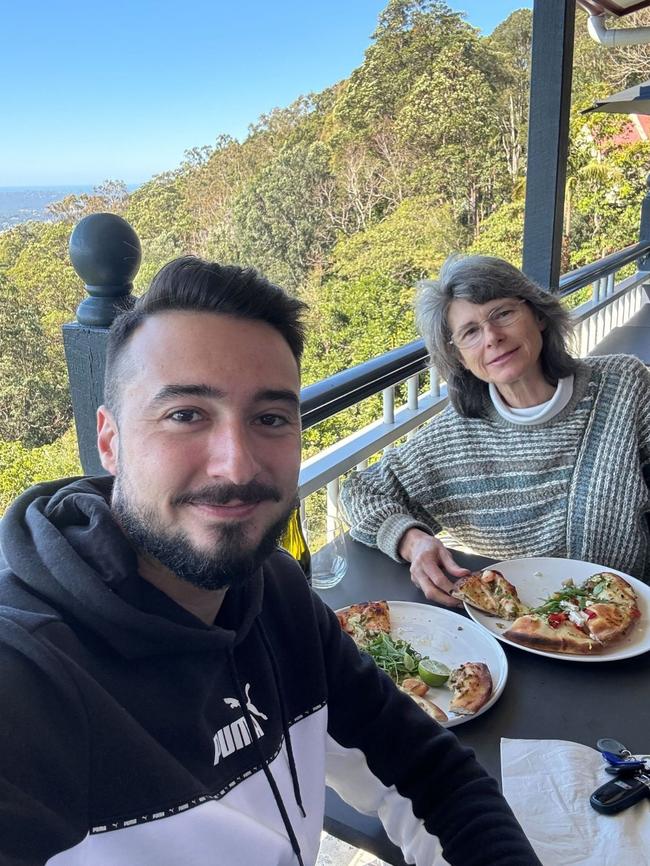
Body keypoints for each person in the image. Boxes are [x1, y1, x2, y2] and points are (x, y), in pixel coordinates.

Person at [0, 256, 541, 866]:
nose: (236, 464)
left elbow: (433, 776)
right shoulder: (28, 680)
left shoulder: (276, 593)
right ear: (109, 440)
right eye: (186, 415)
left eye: (270, 418)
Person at [341, 254, 650, 607]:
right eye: (470, 332)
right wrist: (413, 541)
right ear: (458, 357)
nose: (492, 338)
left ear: (537, 315)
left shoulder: (623, 385)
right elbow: (361, 491)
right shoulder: (452, 437)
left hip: (633, 626)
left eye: (503, 313)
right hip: (519, 631)